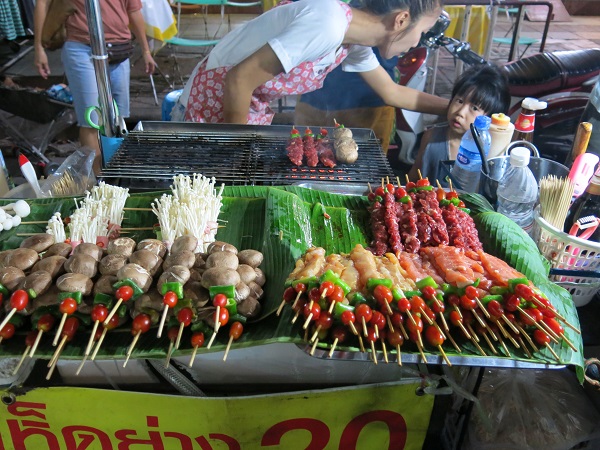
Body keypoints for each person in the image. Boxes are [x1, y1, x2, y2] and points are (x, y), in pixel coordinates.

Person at [176, 0, 449, 125]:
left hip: (245, 104)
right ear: (401, 20)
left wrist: (457, 110)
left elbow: (392, 92)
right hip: (216, 103)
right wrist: (239, 146)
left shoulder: (353, 41)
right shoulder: (327, 23)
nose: (417, 43)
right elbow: (237, 80)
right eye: (421, 33)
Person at [33, 0, 156, 173]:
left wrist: (146, 51)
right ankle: (98, 180)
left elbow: (134, 11)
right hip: (81, 47)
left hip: (119, 49)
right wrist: (38, 47)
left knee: (119, 118)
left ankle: (117, 176)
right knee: (91, 119)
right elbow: (42, 3)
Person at [407, 64, 511, 182]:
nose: (461, 112)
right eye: (459, 101)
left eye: (474, 108)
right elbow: (413, 178)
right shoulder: (431, 137)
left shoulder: (492, 152)